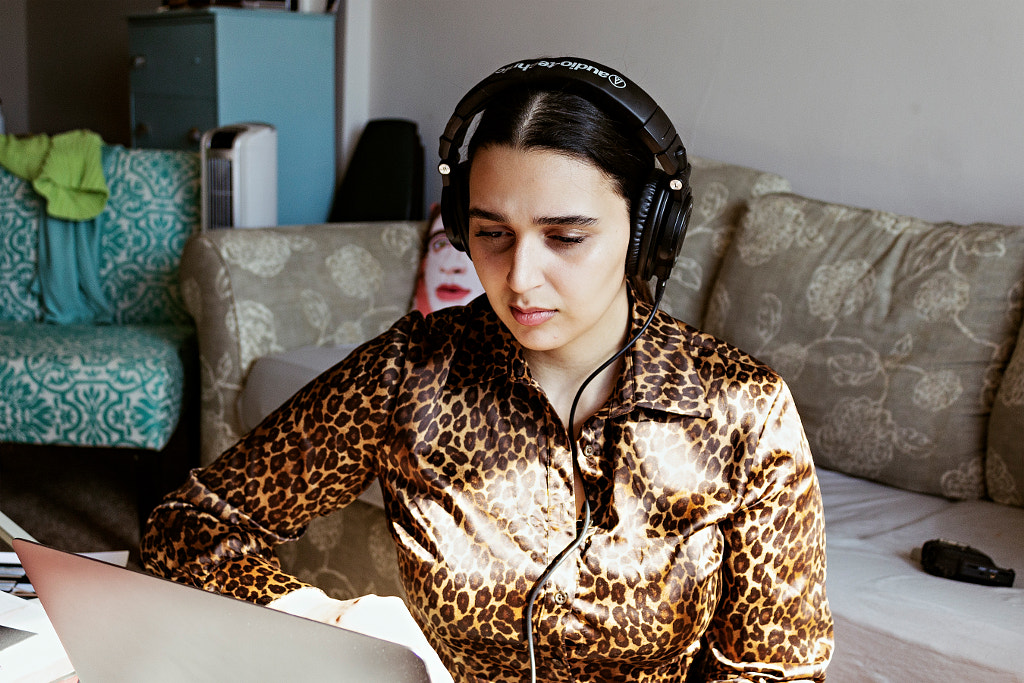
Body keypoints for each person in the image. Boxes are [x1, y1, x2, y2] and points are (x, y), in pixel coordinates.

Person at [142, 56, 833, 682]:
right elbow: (188, 524)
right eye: (492, 234)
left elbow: (779, 672)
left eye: (566, 236)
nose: (520, 278)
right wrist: (325, 618)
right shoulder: (408, 373)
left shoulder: (745, 411)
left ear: (649, 233)